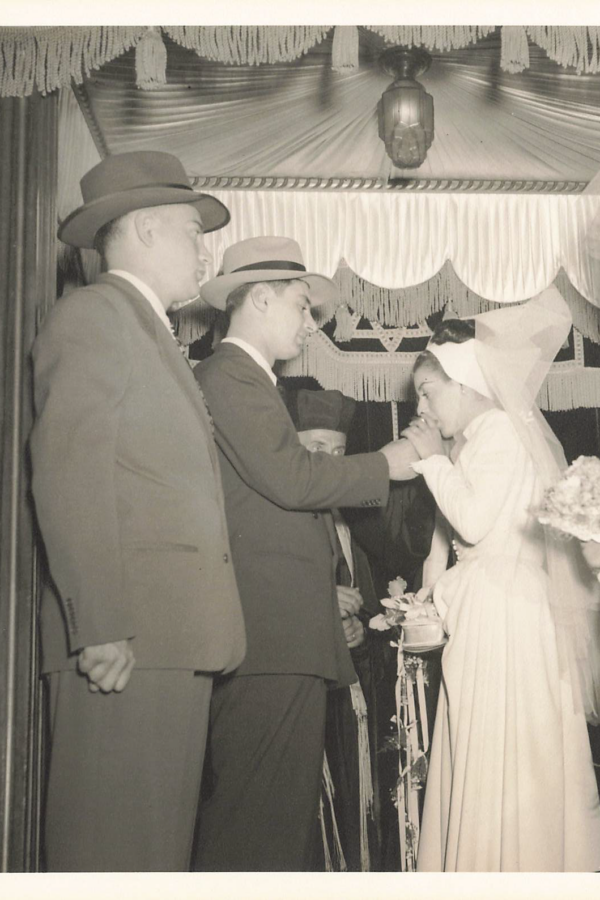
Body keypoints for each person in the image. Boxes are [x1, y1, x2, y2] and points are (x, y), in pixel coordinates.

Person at [30, 151, 246, 871]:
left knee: (146, 860)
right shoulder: (95, 316)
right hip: (124, 648)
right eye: (193, 231)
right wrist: (99, 626)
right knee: (111, 859)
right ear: (148, 229)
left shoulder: (144, 327)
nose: (203, 250)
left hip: (163, 647)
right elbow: (69, 473)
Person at [192, 236, 420, 871]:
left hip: (280, 633)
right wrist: (388, 463)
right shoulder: (229, 375)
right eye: (300, 306)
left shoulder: (246, 379)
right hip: (269, 637)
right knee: (256, 819)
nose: (310, 322)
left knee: (271, 817)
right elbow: (292, 478)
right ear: (259, 299)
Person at [400, 287, 600, 872]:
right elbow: (461, 528)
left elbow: (474, 518)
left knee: (503, 755)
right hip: (502, 614)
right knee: (499, 752)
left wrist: (430, 458)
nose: (425, 409)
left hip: (505, 622)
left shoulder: (497, 435)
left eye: (428, 393)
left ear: (462, 382)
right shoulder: (488, 439)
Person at [289, 387, 382, 871]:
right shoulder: (275, 518)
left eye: (340, 453)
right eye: (317, 450)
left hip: (347, 699)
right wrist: (321, 609)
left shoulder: (352, 524)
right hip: (296, 696)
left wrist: (358, 632)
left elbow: (364, 610)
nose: (331, 463)